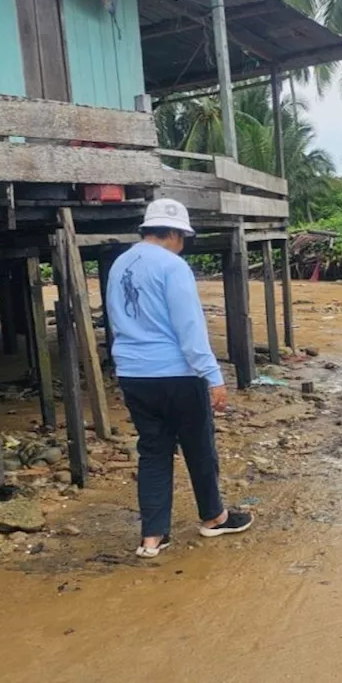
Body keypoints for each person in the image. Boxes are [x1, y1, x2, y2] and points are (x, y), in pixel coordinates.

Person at [106, 198, 253, 557]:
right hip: (177, 373)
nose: (183, 244)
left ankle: (152, 538)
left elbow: (114, 319)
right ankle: (214, 517)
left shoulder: (119, 264)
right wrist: (213, 376)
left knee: (153, 450)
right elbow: (189, 328)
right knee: (198, 445)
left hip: (133, 373)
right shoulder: (173, 267)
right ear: (173, 233)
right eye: (182, 237)